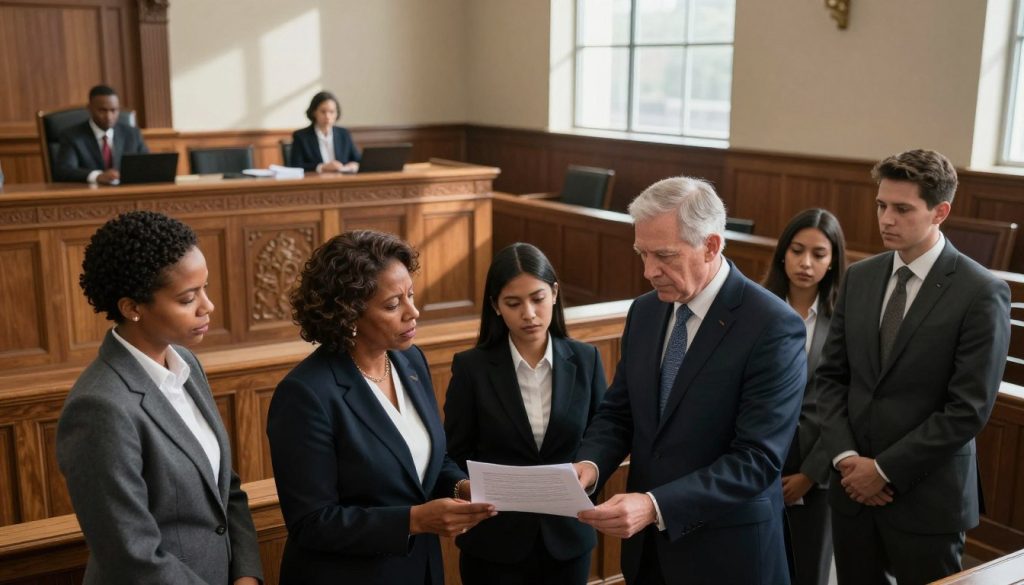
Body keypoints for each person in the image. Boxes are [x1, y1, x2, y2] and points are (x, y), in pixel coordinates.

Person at [573, 176, 807, 585]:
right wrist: (590, 465)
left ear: (711, 245)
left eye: (663, 255)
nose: (648, 271)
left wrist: (654, 505)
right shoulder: (645, 312)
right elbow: (619, 412)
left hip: (729, 555)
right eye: (641, 253)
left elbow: (757, 460)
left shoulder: (771, 325)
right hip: (649, 557)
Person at [816, 149, 1011, 585]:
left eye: (902, 209)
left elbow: (968, 409)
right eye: (882, 205)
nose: (886, 218)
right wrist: (848, 460)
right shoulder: (861, 276)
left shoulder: (981, 291)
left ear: (940, 211)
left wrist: (882, 471)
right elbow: (831, 378)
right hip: (851, 490)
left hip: (927, 497)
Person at [266, 230, 495, 585]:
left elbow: (427, 461)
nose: (413, 312)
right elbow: (311, 523)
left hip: (421, 570)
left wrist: (461, 487)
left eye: (411, 296)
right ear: (348, 314)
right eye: (393, 305)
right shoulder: (305, 394)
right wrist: (415, 520)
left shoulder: (410, 361)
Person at [56, 211, 262, 585]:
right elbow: (129, 553)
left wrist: (247, 575)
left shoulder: (186, 363)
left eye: (205, 288)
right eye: (187, 298)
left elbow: (225, 488)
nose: (208, 306)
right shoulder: (100, 406)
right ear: (132, 308)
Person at [444, 242, 607, 585]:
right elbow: (453, 453)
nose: (529, 314)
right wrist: (463, 487)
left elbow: (601, 437)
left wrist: (590, 471)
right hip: (493, 543)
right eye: (513, 303)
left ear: (555, 293)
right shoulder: (472, 368)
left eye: (538, 298)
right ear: (495, 306)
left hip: (568, 540)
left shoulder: (586, 359)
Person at [762, 208, 847, 585]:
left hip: (817, 467)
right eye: (797, 250)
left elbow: (845, 401)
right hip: (758, 460)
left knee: (809, 570)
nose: (806, 263)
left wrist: (810, 474)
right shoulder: (758, 308)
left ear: (833, 262)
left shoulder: (844, 316)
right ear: (783, 253)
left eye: (819, 254)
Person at [54, 85, 149, 184]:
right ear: (89, 108)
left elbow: (148, 165)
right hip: (90, 195)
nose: (109, 116)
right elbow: (64, 171)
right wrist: (97, 176)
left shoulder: (132, 134)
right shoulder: (72, 136)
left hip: (126, 193)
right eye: (102, 110)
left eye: (113, 110)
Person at [290, 91, 361, 173]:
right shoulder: (301, 136)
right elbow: (295, 166)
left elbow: (358, 160)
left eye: (332, 112)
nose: (327, 116)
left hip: (342, 181)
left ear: (337, 114)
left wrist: (354, 164)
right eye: (323, 112)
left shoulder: (344, 134)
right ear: (314, 112)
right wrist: (322, 167)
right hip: (315, 182)